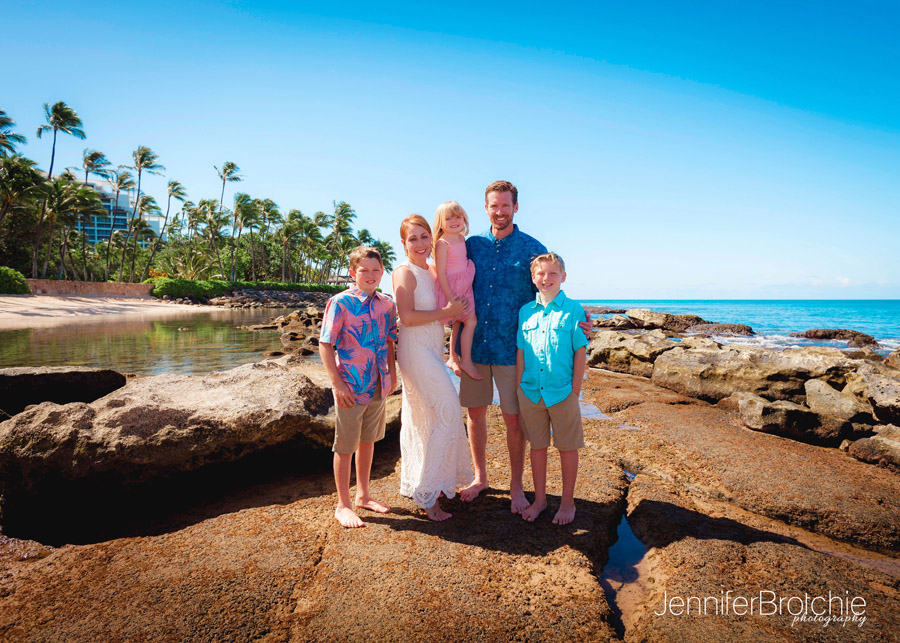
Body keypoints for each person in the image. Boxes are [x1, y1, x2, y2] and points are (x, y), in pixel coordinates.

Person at [459, 180, 591, 513]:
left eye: (505, 205)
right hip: (474, 347)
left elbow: (549, 287)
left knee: (514, 422)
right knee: (475, 418)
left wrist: (582, 317)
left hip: (512, 351)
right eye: (494, 205)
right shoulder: (471, 245)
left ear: (515, 207)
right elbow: (452, 280)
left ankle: (518, 488)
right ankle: (480, 477)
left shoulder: (531, 247)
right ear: (486, 207)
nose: (499, 211)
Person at [392, 214, 474, 521]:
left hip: (431, 350)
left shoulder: (431, 270)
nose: (420, 243)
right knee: (449, 411)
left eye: (425, 236)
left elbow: (457, 287)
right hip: (414, 351)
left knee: (425, 418)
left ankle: (425, 481)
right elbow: (407, 317)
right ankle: (427, 495)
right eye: (413, 239)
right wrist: (447, 311)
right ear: (403, 244)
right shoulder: (405, 272)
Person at [319, 246, 398, 529]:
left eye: (376, 270)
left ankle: (363, 495)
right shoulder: (339, 303)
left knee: (368, 440)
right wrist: (337, 384)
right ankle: (343, 505)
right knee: (345, 445)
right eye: (364, 270)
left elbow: (390, 340)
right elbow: (325, 344)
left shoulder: (387, 304)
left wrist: (392, 375)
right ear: (353, 273)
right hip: (350, 386)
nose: (371, 275)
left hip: (378, 383)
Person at [516, 252, 588, 525]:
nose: (547, 279)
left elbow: (580, 352)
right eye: (541, 274)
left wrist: (575, 392)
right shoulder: (525, 312)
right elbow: (521, 351)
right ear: (533, 279)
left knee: (567, 447)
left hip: (562, 392)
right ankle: (540, 500)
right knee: (537, 446)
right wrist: (520, 387)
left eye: (553, 274)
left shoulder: (574, 310)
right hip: (531, 391)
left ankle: (567, 502)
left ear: (563, 277)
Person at [432, 200, 481, 381]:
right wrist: (450, 296)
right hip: (452, 287)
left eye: (458, 217)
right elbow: (441, 273)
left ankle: (453, 358)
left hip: (465, 283)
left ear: (464, 219)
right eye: (449, 218)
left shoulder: (461, 239)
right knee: (470, 320)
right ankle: (465, 360)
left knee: (461, 322)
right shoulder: (442, 243)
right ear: (441, 222)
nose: (454, 221)